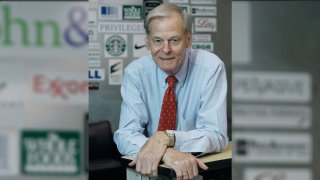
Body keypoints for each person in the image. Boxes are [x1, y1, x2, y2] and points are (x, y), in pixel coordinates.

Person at [114, 3, 228, 180]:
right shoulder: (135, 73)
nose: (165, 49)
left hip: (194, 170)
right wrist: (165, 151)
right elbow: (125, 135)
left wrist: (169, 137)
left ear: (188, 40)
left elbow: (216, 135)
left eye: (174, 40)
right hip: (151, 169)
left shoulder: (211, 68)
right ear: (148, 42)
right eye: (157, 40)